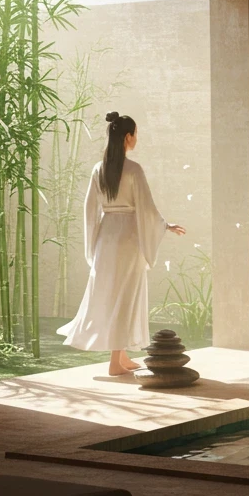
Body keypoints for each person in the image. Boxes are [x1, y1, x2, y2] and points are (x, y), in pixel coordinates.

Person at [57, 112, 186, 376]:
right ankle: (115, 362)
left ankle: (122, 355)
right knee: (126, 295)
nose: (136, 138)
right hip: (128, 236)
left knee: (112, 292)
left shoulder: (99, 168)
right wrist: (165, 225)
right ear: (128, 137)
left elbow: (89, 209)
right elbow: (146, 207)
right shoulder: (134, 170)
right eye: (135, 133)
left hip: (107, 236)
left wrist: (93, 243)